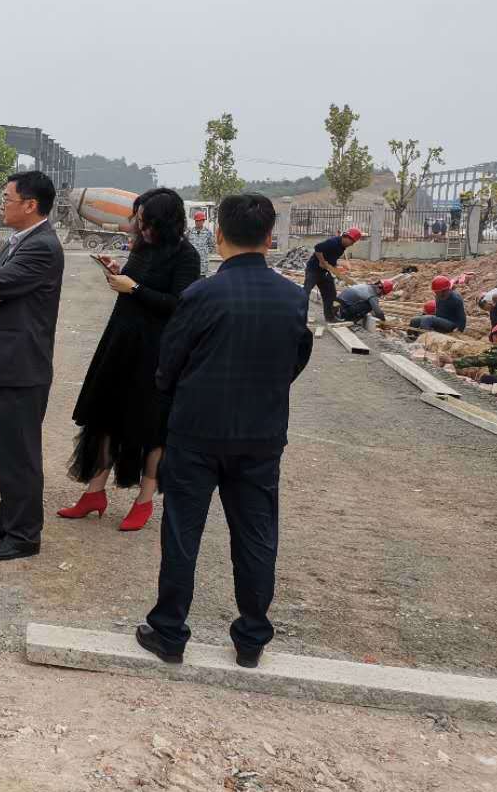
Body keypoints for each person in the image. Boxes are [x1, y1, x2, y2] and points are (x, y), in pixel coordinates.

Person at [135, 193, 313, 668]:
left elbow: (169, 365)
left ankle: (169, 631)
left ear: (218, 235)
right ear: (270, 238)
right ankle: (251, 639)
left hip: (196, 431)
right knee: (256, 535)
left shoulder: (200, 295)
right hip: (260, 434)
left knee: (182, 532)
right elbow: (295, 359)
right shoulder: (293, 298)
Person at [61, 188, 200, 532]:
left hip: (155, 351)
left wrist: (134, 289)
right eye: (139, 219)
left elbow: (179, 304)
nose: (141, 226)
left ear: (165, 222)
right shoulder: (141, 245)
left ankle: (144, 500)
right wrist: (118, 273)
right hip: (121, 342)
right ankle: (94, 492)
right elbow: (136, 285)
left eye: (146, 221)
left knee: (150, 425)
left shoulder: (186, 255)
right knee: (105, 416)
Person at [0, 171, 65, 561]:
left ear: (30, 204)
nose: (3, 204)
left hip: (22, 367)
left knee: (20, 454)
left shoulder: (41, 246)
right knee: (6, 451)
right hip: (7, 362)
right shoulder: (21, 240)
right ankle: (9, 518)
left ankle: (25, 534)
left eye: (8, 199)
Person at [301, 227, 361, 323]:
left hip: (325, 272)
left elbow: (332, 258)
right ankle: (300, 315)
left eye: (353, 242)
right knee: (305, 292)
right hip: (313, 270)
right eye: (352, 241)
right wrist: (321, 261)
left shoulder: (342, 247)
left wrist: (335, 270)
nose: (352, 244)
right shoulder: (333, 242)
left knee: (330, 294)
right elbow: (317, 248)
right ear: (346, 237)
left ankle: (330, 317)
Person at [187, 210, 216, 277]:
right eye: (196, 221)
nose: (198, 222)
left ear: (203, 221)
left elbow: (212, 246)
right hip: (192, 263)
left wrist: (205, 252)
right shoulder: (190, 232)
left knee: (202, 279)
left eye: (200, 220)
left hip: (203, 264)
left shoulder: (208, 233)